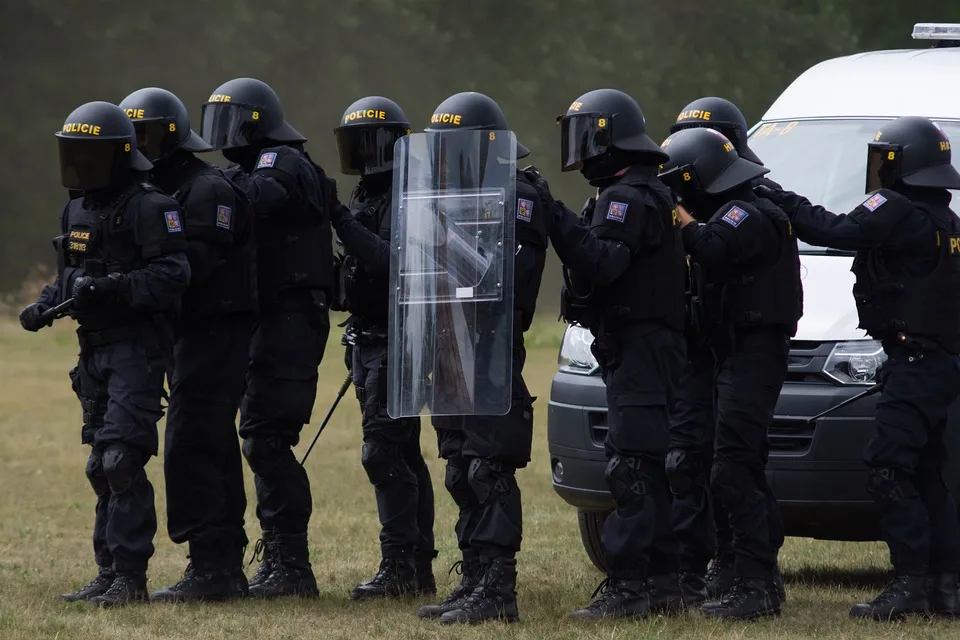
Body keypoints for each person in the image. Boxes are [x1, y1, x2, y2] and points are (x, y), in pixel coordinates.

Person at [757, 115, 960, 621]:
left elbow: (832, 229)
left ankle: (910, 585)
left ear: (902, 164)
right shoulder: (947, 221)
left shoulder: (894, 207)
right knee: (930, 475)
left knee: (889, 469)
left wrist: (774, 194)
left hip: (914, 365)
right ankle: (946, 586)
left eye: (884, 158)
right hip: (940, 365)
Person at [19, 101, 190, 606]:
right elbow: (68, 275)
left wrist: (114, 287)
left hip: (136, 350)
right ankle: (107, 571)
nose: (78, 163)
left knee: (121, 460)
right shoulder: (76, 207)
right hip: (91, 353)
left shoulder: (151, 205)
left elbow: (174, 275)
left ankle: (130, 579)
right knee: (100, 465)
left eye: (89, 154)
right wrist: (44, 305)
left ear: (119, 154)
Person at [528, 88, 687, 619]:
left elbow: (601, 263)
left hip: (642, 348)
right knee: (646, 463)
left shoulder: (628, 199)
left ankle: (631, 587)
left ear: (608, 137)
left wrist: (551, 213)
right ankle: (663, 584)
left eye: (585, 134)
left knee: (633, 467)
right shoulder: (638, 193)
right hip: (641, 347)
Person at [401, 91, 549, 625]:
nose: (443, 163)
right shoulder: (442, 200)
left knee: (489, 469)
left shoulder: (518, 196)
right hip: (449, 351)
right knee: (461, 471)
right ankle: (474, 575)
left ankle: (498, 590)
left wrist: (443, 240)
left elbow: (503, 282)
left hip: (488, 353)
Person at [118, 87, 256, 602]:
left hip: (216, 332)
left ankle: (212, 568)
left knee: (193, 443)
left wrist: (132, 285)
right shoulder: (155, 190)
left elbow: (193, 270)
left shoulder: (206, 189)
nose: (139, 144)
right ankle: (219, 565)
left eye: (146, 134)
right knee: (209, 443)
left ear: (173, 136)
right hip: (186, 335)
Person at [658, 126, 802, 620]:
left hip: (753, 352)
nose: (678, 193)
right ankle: (747, 572)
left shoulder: (746, 211)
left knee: (735, 467)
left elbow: (710, 246)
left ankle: (756, 586)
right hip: (733, 351)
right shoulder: (737, 207)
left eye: (680, 182)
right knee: (734, 465)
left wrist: (672, 211)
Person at [200, 77, 334, 598]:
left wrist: (201, 187)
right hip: (266, 319)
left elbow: (256, 200)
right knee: (257, 436)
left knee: (266, 438)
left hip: (291, 319)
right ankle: (282, 559)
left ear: (255, 122)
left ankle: (291, 566)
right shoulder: (244, 168)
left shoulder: (283, 162)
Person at [327, 96, 437, 600]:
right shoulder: (365, 195)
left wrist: (338, 219)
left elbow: (390, 261)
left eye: (372, 143)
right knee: (401, 452)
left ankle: (401, 567)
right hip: (368, 337)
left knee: (385, 453)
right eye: (356, 144)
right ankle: (415, 566)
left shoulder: (409, 195)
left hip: (399, 342)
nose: (364, 155)